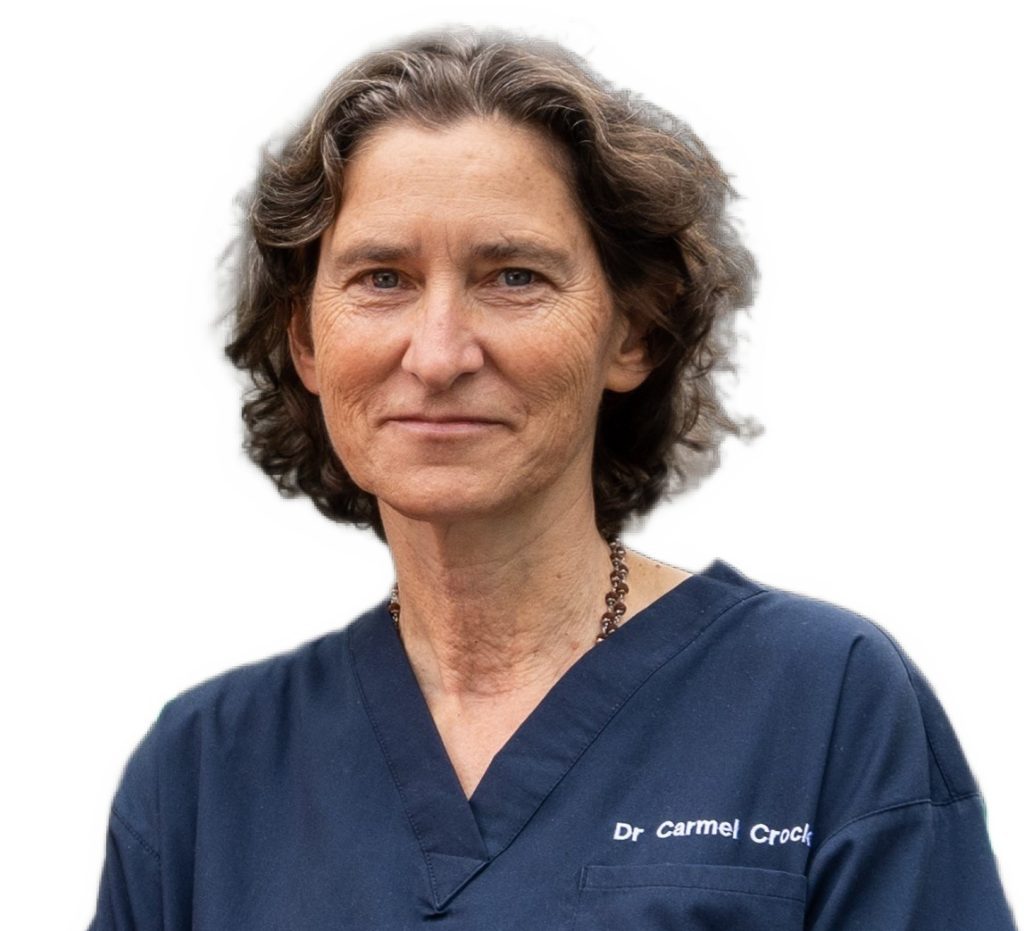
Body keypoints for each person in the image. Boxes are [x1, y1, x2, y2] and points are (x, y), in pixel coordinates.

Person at [88, 28, 1016, 930]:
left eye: (514, 277)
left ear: (635, 331)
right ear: (305, 341)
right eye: (382, 278)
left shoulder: (822, 704)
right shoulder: (202, 775)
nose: (439, 354)